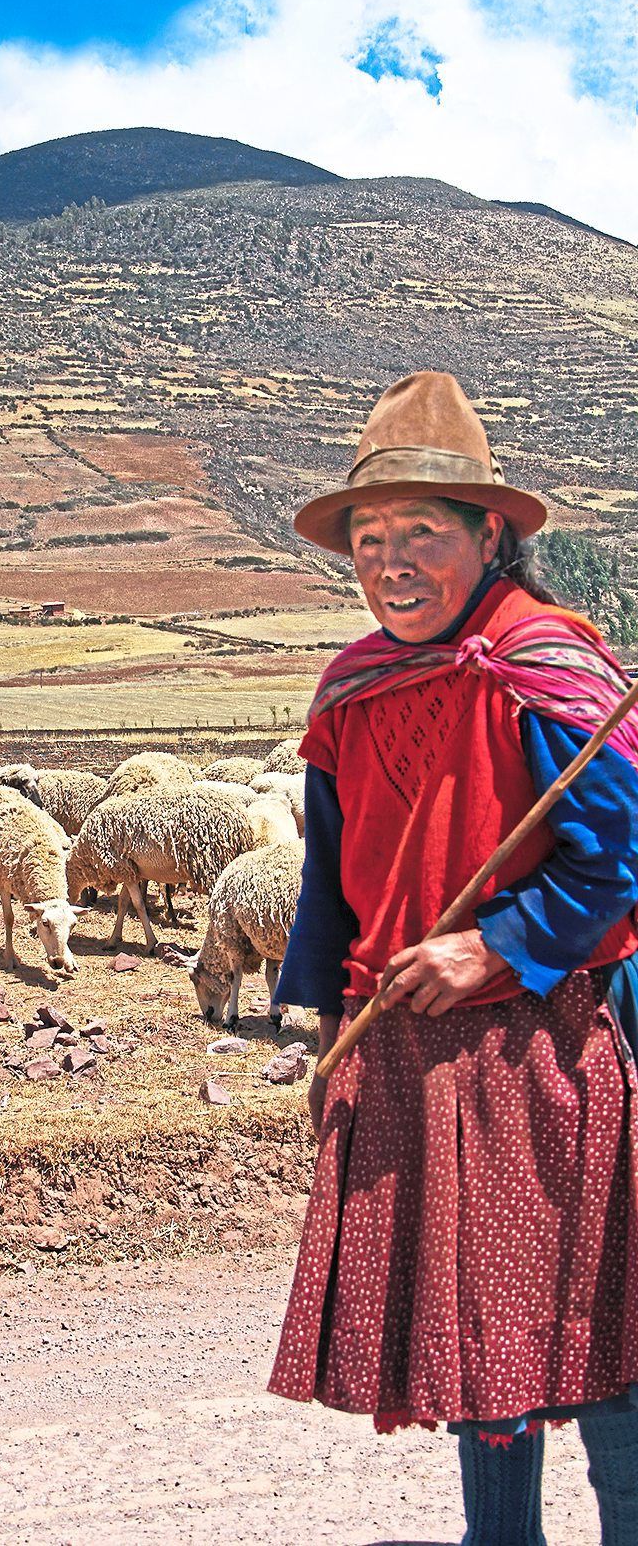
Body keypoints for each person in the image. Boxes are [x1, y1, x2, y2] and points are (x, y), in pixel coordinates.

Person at [268, 371, 638, 1545]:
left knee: (591, 1326)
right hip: (408, 1044)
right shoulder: (353, 688)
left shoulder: (549, 669)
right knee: (477, 1335)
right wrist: (329, 1023)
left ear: (491, 536)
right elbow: (327, 878)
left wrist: (500, 945)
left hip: (551, 1038)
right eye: (371, 539)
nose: (391, 561)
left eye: (424, 532)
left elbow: (617, 858)